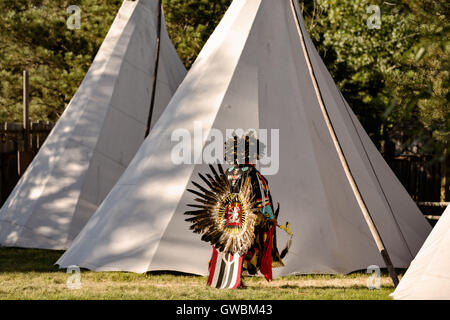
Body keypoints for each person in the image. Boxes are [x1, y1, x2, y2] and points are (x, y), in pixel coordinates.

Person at [185, 132, 284, 289]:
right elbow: (262, 200)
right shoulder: (254, 174)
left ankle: (223, 275)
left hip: (228, 218)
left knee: (227, 245)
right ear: (252, 154)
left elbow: (220, 194)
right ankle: (237, 277)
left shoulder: (229, 172)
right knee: (247, 246)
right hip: (247, 219)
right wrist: (270, 217)